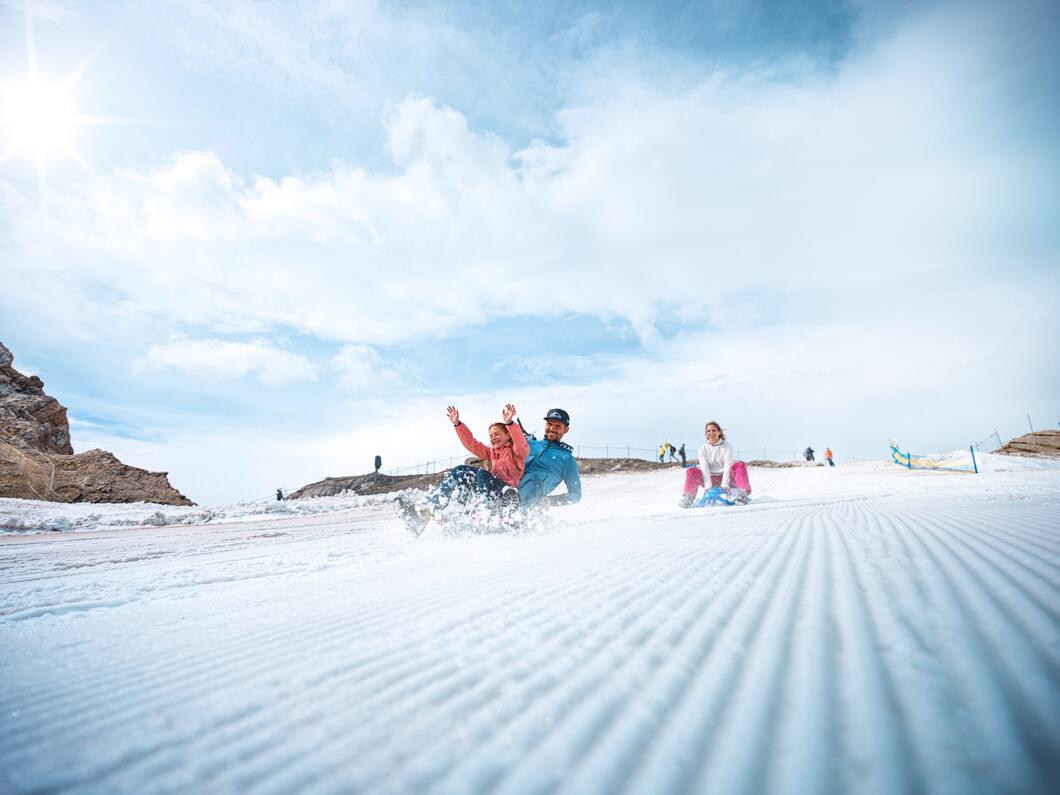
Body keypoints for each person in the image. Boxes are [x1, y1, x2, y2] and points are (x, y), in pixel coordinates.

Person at [433, 403, 530, 505]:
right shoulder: (491, 452)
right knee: (460, 470)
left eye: (497, 434)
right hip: (491, 484)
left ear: (508, 435)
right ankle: (442, 500)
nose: (493, 438)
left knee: (482, 473)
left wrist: (510, 424)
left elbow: (521, 444)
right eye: (491, 436)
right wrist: (458, 424)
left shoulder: (516, 451)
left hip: (506, 490)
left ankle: (487, 505)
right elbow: (472, 444)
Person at [679, 421, 752, 508]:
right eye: (708, 431)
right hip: (711, 479)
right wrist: (708, 487)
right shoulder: (702, 449)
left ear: (719, 432)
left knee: (740, 464)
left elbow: (727, 466)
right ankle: (689, 498)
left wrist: (725, 484)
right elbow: (704, 469)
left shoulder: (727, 446)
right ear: (705, 433)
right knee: (691, 470)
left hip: (728, 478)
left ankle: (743, 494)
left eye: (713, 430)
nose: (711, 433)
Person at [518, 408, 582, 506]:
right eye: (549, 424)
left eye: (557, 426)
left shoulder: (567, 459)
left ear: (566, 430)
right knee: (485, 475)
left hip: (530, 498)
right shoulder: (529, 444)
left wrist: (550, 501)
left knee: (532, 479)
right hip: (510, 488)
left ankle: (518, 518)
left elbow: (575, 495)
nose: (552, 428)